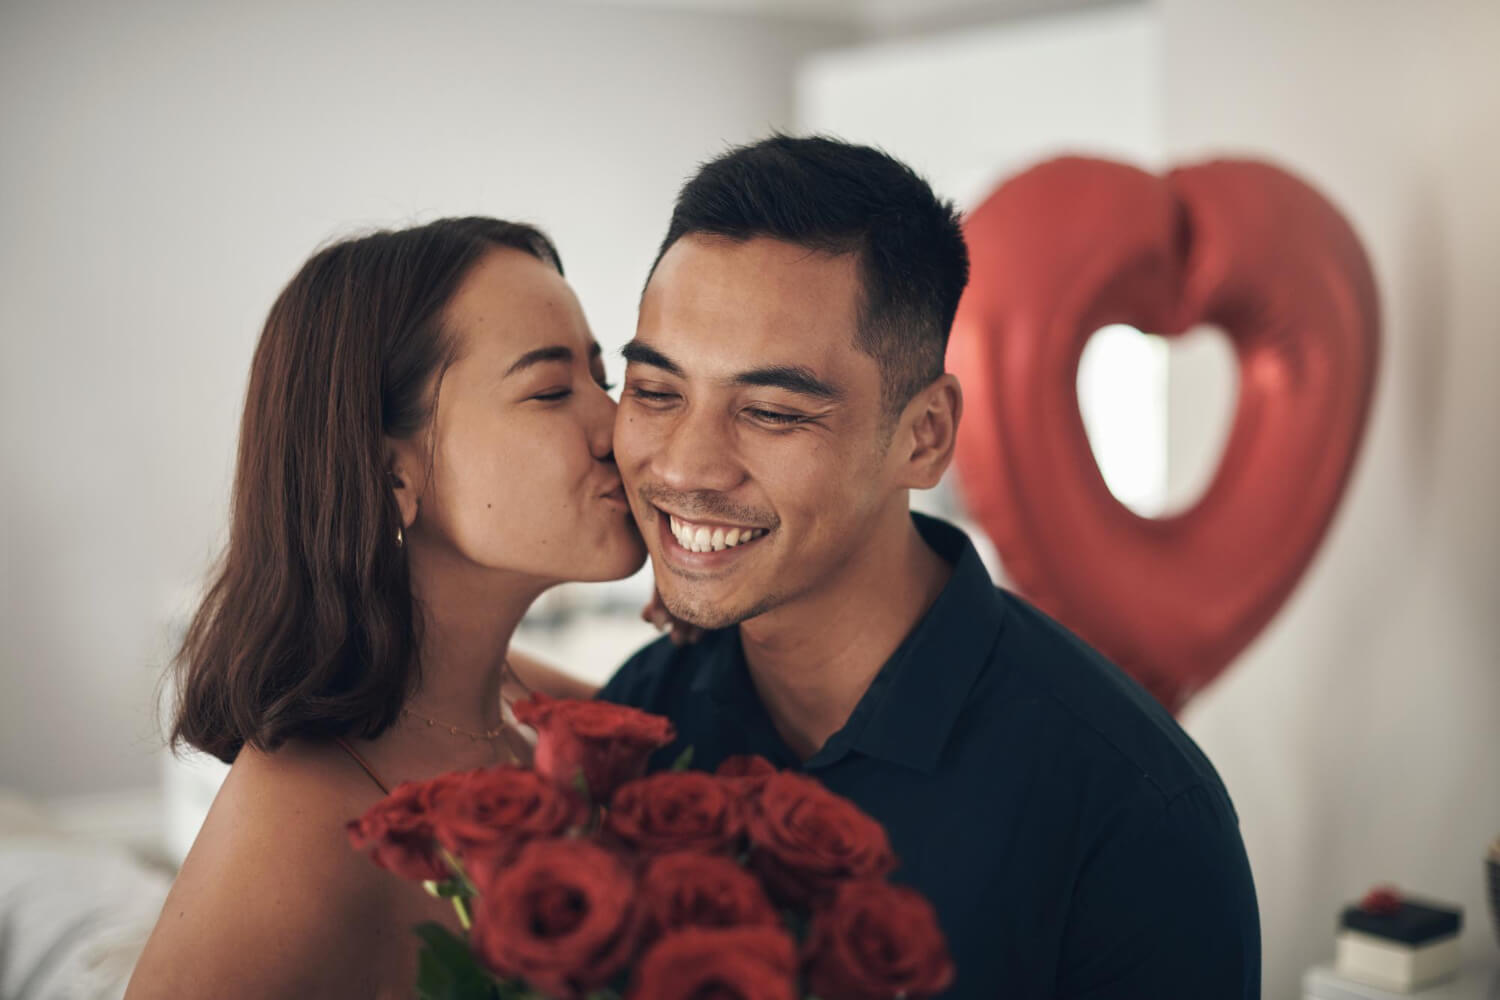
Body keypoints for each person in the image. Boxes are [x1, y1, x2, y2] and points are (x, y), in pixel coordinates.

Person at [599, 135, 1261, 999]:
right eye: (655, 392)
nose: (683, 468)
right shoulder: (635, 724)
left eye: (770, 411)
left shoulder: (1132, 811)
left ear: (925, 436)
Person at [127, 218, 643, 998]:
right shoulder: (298, 827)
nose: (618, 427)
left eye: (601, 378)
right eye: (549, 390)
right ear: (388, 474)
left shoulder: (548, 713)